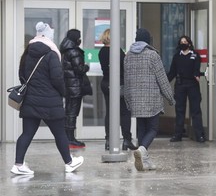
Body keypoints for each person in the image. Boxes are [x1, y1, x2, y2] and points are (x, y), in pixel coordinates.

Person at [11, 22, 84, 175]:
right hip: (50, 102)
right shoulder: (51, 54)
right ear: (48, 36)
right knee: (60, 133)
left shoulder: (27, 53)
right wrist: (63, 92)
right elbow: (57, 78)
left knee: (26, 133)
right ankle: (69, 163)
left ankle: (18, 164)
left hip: (31, 101)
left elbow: (21, 75)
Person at [124, 28, 175, 171]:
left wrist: (128, 99)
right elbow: (162, 79)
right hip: (151, 99)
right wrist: (170, 97)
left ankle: (144, 160)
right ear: (148, 41)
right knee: (153, 128)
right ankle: (142, 149)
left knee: (142, 127)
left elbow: (126, 80)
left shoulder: (128, 56)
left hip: (135, 99)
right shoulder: (153, 55)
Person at [98, 29, 137, 151]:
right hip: (118, 84)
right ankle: (126, 140)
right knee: (125, 112)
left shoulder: (101, 51)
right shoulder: (117, 51)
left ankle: (108, 140)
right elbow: (124, 67)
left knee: (110, 112)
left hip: (106, 83)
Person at [167, 35, 206, 143]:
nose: (183, 43)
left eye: (185, 41)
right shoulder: (177, 56)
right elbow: (172, 72)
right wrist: (164, 83)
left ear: (189, 43)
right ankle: (178, 134)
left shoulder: (195, 55)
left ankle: (199, 135)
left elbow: (196, 69)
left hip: (192, 85)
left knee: (196, 110)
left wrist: (197, 75)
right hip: (180, 85)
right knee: (179, 110)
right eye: (181, 42)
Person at [59, 29, 92, 149]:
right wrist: (87, 67)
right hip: (75, 87)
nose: (80, 39)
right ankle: (70, 139)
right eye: (79, 37)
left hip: (69, 86)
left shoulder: (65, 50)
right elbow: (79, 69)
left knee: (69, 112)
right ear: (75, 38)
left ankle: (68, 138)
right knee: (72, 113)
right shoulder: (73, 51)